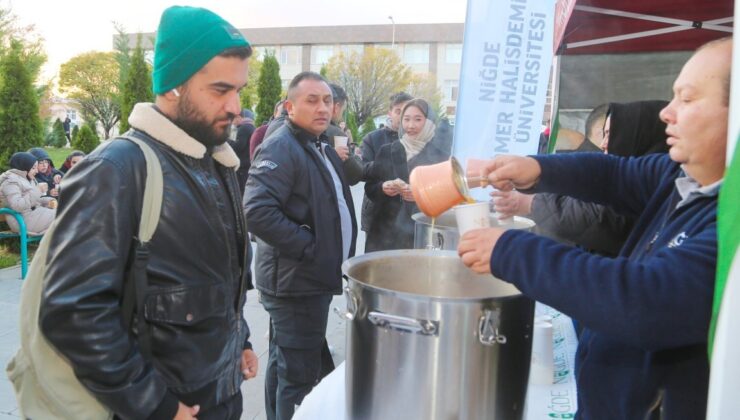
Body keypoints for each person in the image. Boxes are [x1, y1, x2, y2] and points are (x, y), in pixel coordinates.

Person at [458, 37, 731, 419]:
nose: (667, 113)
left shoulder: (730, 222)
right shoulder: (680, 175)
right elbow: (615, 174)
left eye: (686, 99)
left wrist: (512, 250)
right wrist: (538, 169)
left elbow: (646, 302)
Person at [38, 6, 258, 420]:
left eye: (239, 90)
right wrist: (155, 405)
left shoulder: (217, 161)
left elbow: (220, 282)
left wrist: (240, 341)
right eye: (220, 90)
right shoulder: (117, 169)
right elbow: (73, 312)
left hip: (220, 398)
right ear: (174, 85)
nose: (236, 106)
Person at [244, 71, 357, 420]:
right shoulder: (282, 145)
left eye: (327, 101)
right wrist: (311, 248)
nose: (323, 108)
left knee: (284, 363)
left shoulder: (315, 142)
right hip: (295, 282)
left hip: (305, 279)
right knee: (299, 375)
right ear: (290, 106)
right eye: (312, 100)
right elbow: (257, 211)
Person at [493, 100, 669, 256]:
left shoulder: (657, 181)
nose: (603, 144)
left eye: (610, 134)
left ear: (633, 135)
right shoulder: (645, 174)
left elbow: (602, 220)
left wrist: (530, 201)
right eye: (604, 134)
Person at [364, 98, 453, 251]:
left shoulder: (440, 156)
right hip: (385, 235)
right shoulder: (387, 150)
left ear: (429, 121)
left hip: (422, 234)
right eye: (406, 119)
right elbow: (371, 187)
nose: (411, 126)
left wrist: (420, 193)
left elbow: (448, 195)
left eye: (418, 119)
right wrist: (383, 188)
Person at [359, 92, 413, 241]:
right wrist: (384, 179)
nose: (402, 117)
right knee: (374, 260)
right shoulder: (373, 138)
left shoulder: (419, 140)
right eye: (398, 111)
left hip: (409, 215)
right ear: (390, 113)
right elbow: (361, 170)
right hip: (377, 209)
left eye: (407, 112)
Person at [0, 152, 56, 235]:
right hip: (22, 220)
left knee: (66, 213)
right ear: (23, 168)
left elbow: (33, 200)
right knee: (64, 215)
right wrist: (38, 190)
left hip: (33, 215)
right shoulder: (10, 182)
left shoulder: (28, 178)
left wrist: (49, 201)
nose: (37, 171)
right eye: (33, 168)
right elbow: (17, 206)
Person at [229, 109, 256, 194]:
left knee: (241, 192)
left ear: (238, 117)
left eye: (232, 119)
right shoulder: (250, 126)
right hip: (249, 164)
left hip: (243, 166)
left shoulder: (243, 128)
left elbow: (238, 146)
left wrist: (226, 141)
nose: (231, 122)